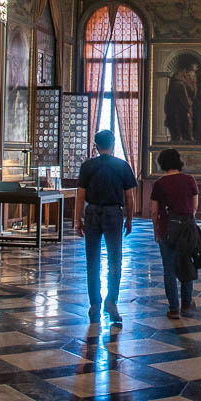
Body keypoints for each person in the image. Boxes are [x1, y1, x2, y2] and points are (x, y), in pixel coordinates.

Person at [74, 129, 137, 325]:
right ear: (113, 144)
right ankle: (112, 301)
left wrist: (77, 219)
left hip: (92, 212)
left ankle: (94, 303)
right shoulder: (122, 166)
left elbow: (80, 195)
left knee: (92, 260)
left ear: (96, 145)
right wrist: (129, 219)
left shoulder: (87, 166)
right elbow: (129, 197)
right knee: (114, 259)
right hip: (113, 213)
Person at [150, 149, 199, 319]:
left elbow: (154, 212)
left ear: (162, 163)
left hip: (166, 229)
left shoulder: (159, 184)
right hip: (186, 229)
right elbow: (194, 208)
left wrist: (156, 230)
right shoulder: (189, 180)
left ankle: (173, 308)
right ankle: (186, 304)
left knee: (169, 269)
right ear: (179, 162)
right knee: (186, 265)